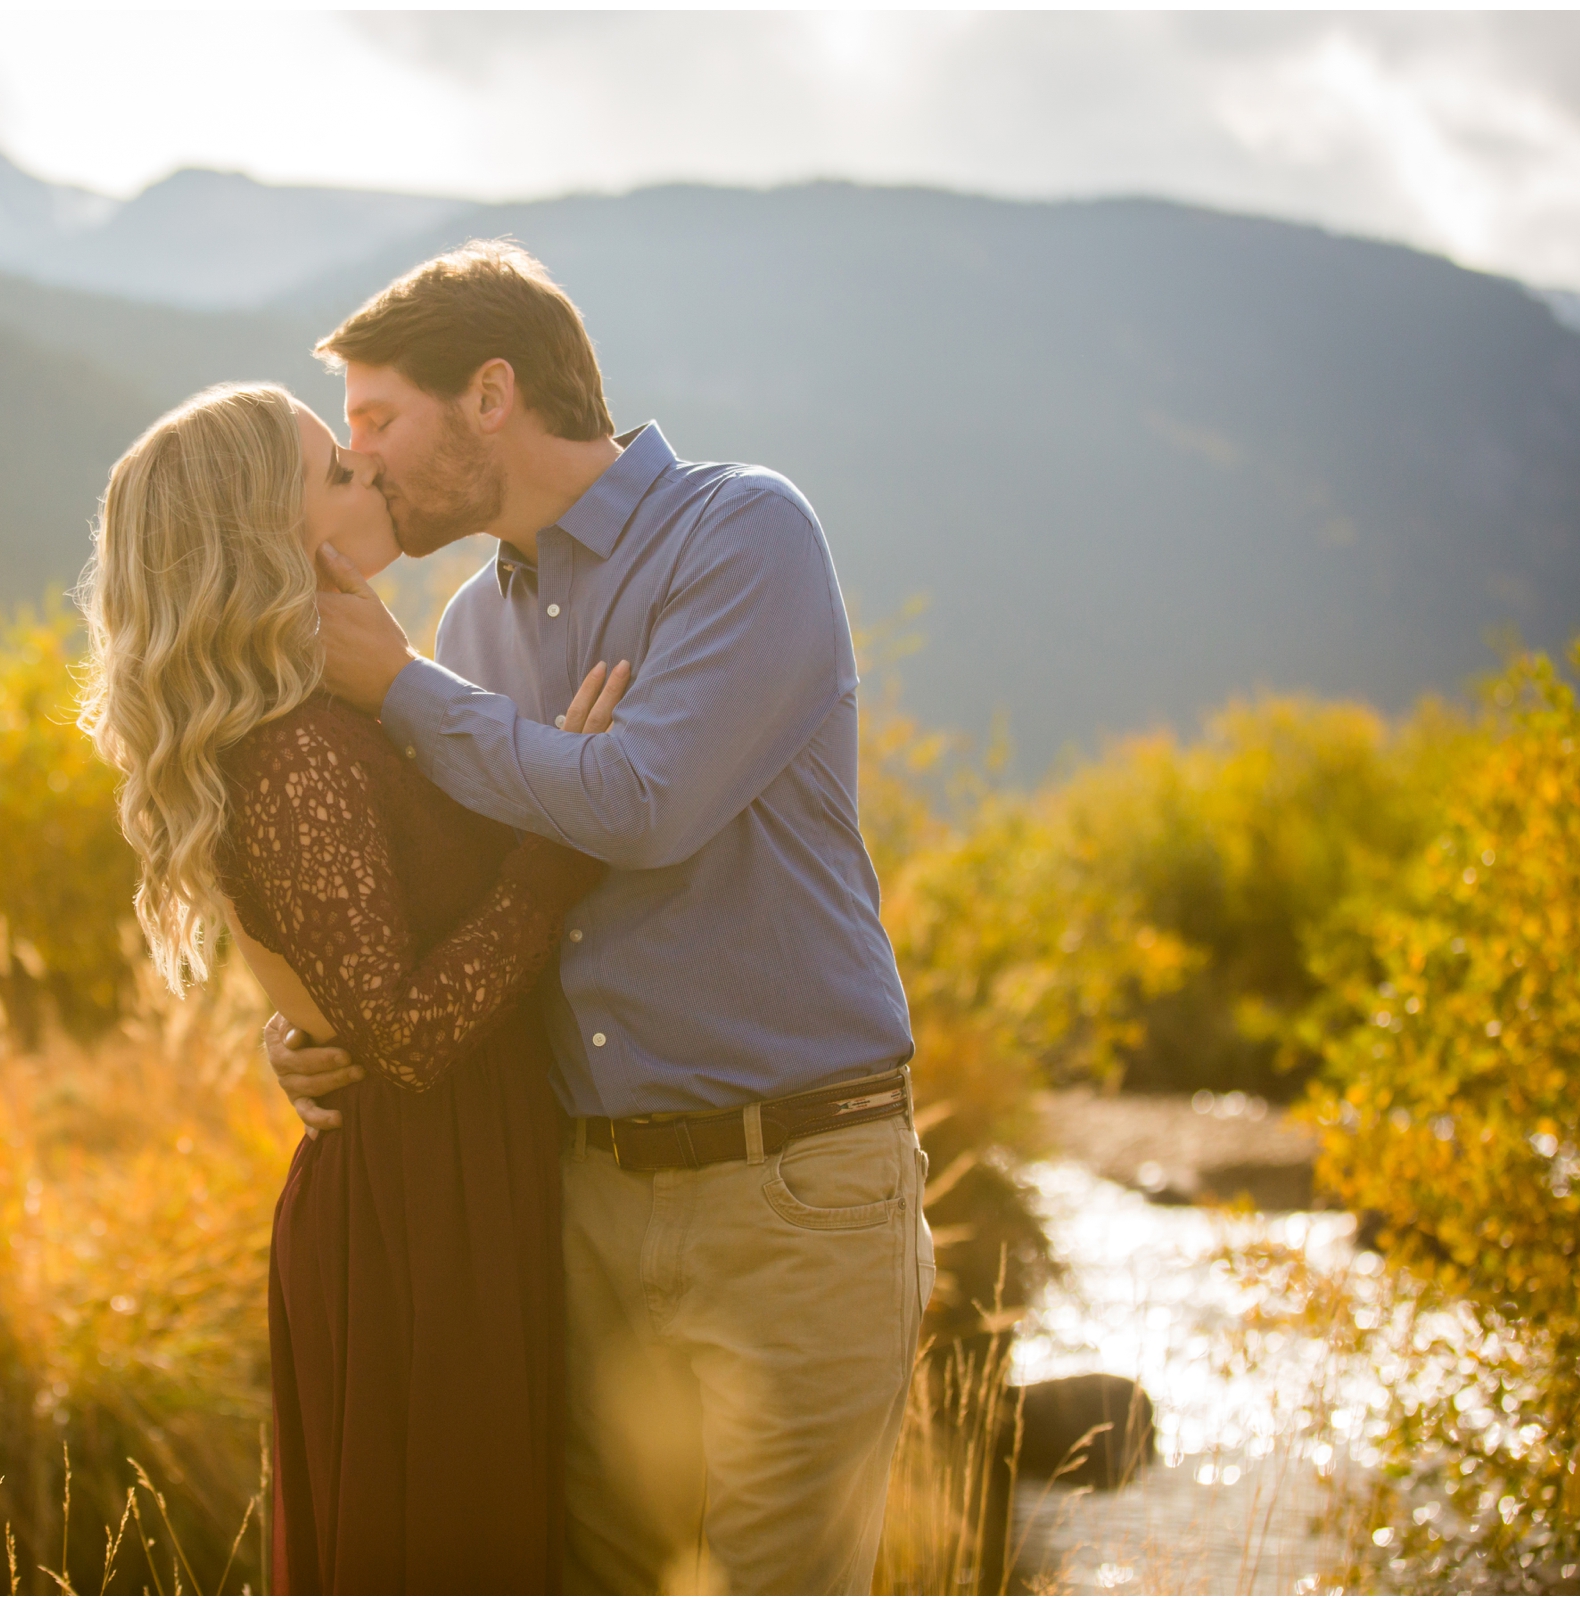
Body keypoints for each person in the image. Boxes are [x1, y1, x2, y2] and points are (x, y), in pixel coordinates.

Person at [267, 241, 937, 1594]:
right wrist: (311, 1020)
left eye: (381, 423)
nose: (371, 465)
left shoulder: (742, 533)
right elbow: (456, 909)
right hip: (575, 1203)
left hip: (795, 1191)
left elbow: (641, 803)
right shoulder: (469, 628)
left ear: (492, 395)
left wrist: (401, 690)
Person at [74, 382, 629, 1592]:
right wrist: (567, 845)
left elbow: (365, 974)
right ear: (267, 535)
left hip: (465, 1181)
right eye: (335, 467)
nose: (369, 473)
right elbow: (407, 1036)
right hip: (420, 1215)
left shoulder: (343, 708)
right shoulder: (294, 753)